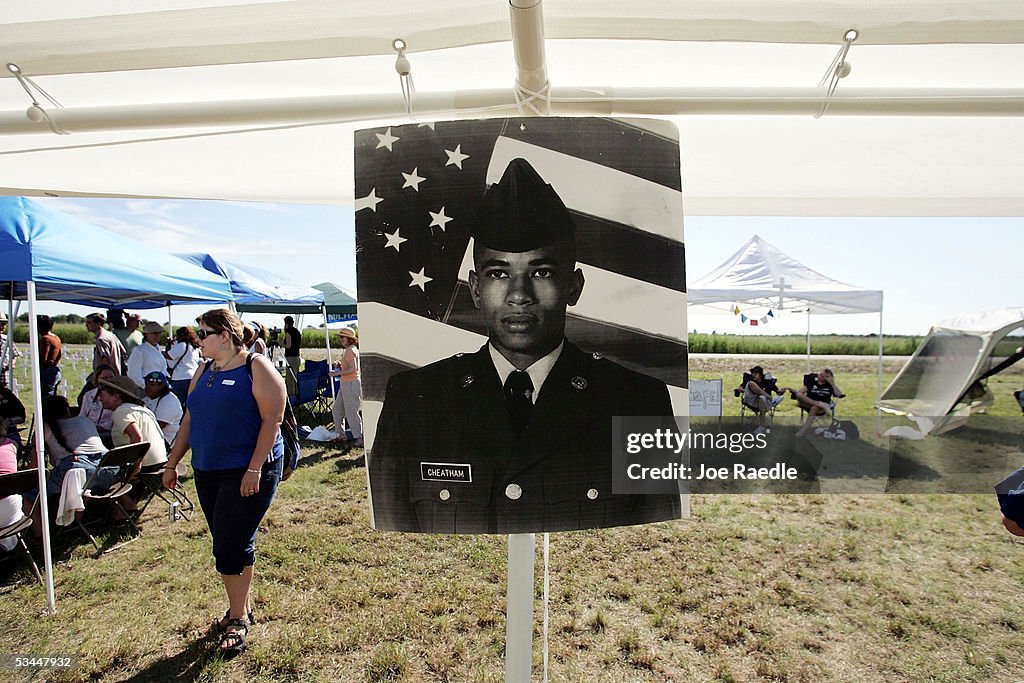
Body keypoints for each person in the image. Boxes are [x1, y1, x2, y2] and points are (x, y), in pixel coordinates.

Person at [368, 158, 681, 534]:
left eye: (541, 272)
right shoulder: (414, 400)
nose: (518, 295)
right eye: (498, 274)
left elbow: (649, 541)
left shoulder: (638, 403)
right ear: (475, 289)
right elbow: (395, 534)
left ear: (573, 287)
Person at [162, 308, 287, 655]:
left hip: (247, 468)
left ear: (225, 336)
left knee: (228, 545)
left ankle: (237, 619)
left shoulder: (256, 366)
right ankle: (242, 608)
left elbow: (272, 419)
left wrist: (254, 468)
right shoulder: (203, 369)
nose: (197, 339)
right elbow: (190, 418)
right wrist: (173, 462)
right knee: (230, 539)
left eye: (203, 333)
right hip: (207, 468)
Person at [96, 376, 168, 474]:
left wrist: (135, 467)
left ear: (116, 397)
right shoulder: (142, 409)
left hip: (146, 467)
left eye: (103, 395)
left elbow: (137, 437)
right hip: (160, 462)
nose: (100, 399)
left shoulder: (121, 411)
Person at [329, 327, 362, 447]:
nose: (341, 339)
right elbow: (351, 367)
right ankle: (341, 435)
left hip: (351, 384)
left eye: (342, 337)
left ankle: (359, 437)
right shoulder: (351, 350)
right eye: (340, 337)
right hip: (346, 383)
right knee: (337, 410)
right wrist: (341, 366)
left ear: (349, 339)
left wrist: (336, 373)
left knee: (351, 412)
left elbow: (353, 369)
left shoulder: (350, 351)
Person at [789, 368, 845, 438]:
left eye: (825, 376)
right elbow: (800, 392)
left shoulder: (829, 386)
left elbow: (839, 395)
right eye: (820, 374)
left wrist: (832, 383)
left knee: (814, 408)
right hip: (808, 404)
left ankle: (802, 431)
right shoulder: (812, 382)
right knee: (799, 395)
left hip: (820, 408)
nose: (821, 377)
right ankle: (819, 404)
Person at [736, 365, 785, 434]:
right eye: (752, 373)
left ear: (760, 375)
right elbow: (739, 388)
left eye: (755, 373)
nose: (753, 375)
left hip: (763, 403)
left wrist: (782, 391)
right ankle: (771, 399)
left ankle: (762, 426)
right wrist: (745, 390)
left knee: (762, 397)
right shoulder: (750, 380)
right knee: (750, 383)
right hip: (751, 400)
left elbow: (778, 392)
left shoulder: (767, 382)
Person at [142, 371, 183, 448]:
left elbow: (160, 425)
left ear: (162, 386)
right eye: (147, 384)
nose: (147, 388)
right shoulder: (146, 399)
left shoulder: (170, 400)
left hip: (165, 440)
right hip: (150, 437)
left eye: (152, 385)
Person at [79, 364, 116, 444]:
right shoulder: (89, 395)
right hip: (89, 430)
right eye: (104, 378)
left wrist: (100, 427)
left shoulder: (117, 396)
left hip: (108, 433)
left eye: (111, 377)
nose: (108, 380)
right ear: (97, 379)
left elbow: (115, 420)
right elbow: (82, 415)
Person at [165, 326, 201, 406]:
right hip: (192, 377)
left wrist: (168, 345)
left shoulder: (182, 345)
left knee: (177, 403)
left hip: (180, 378)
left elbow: (169, 355)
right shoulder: (194, 347)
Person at [126, 321, 168, 389]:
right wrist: (148, 386)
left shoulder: (158, 348)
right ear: (146, 334)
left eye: (159, 333)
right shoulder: (139, 350)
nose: (157, 335)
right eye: (154, 333)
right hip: (145, 388)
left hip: (159, 387)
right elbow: (133, 375)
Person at [37, 315, 63, 397]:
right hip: (55, 370)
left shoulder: (45, 339)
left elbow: (43, 357)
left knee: (47, 398)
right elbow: (59, 354)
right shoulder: (56, 337)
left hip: (47, 371)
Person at [0, 311, 21, 388]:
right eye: (1, 324)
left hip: (5, 377)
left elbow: (14, 354)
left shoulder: (7, 339)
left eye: (4, 324)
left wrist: (12, 363)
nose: (2, 327)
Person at [282, 316, 301, 397]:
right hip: (297, 357)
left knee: (290, 380)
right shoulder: (297, 331)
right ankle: (297, 395)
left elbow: (289, 345)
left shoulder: (289, 332)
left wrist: (280, 343)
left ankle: (291, 397)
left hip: (291, 358)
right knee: (296, 379)